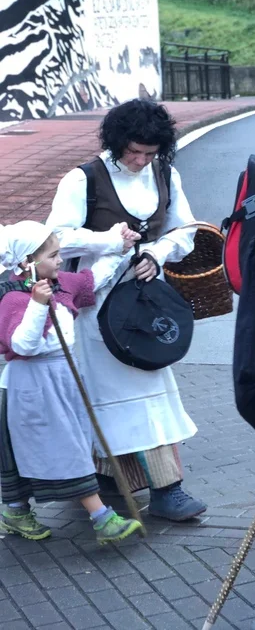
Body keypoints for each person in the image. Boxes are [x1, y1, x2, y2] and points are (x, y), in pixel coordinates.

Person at [46, 99, 205, 522]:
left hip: (145, 301)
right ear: (117, 142)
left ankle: (151, 486)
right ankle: (132, 483)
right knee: (104, 394)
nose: (141, 161)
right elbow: (54, 238)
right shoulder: (82, 179)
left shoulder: (166, 173)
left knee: (147, 389)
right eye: (134, 151)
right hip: (95, 305)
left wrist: (156, 252)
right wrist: (109, 243)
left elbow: (185, 230)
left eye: (150, 153)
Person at [0, 221, 143, 544]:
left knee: (41, 447)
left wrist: (119, 247)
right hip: (32, 386)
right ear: (28, 262)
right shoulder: (13, 300)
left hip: (63, 379)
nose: (60, 260)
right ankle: (103, 518)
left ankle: (15, 511)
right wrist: (37, 305)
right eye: (53, 256)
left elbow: (93, 279)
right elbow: (23, 345)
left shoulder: (61, 283)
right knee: (66, 447)